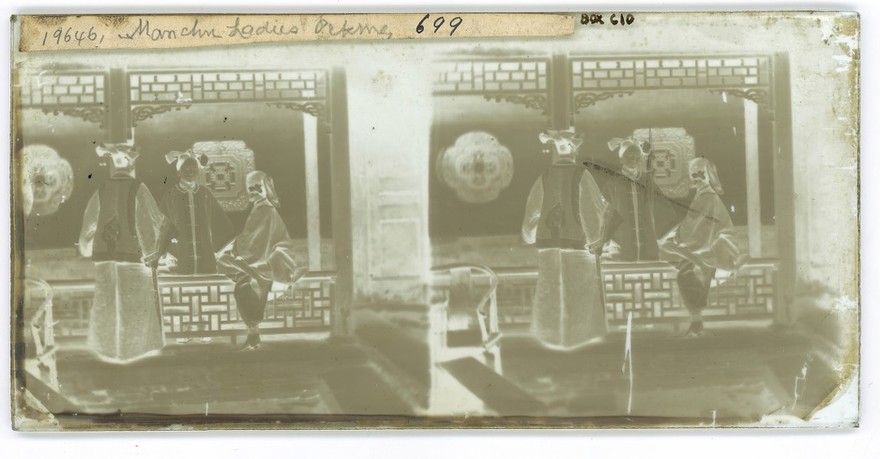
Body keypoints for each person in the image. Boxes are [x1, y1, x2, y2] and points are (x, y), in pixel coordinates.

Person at [78, 141, 168, 363]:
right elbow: (149, 222)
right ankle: (131, 351)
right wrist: (152, 253)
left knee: (107, 300)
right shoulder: (138, 187)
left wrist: (87, 246)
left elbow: (89, 221)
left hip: (105, 255)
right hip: (134, 255)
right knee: (134, 301)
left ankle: (107, 349)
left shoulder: (102, 188)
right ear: (130, 164)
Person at [521, 128, 608, 350]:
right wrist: (597, 239)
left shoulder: (545, 175)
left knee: (551, 287)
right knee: (577, 288)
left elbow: (533, 208)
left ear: (558, 150)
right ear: (574, 150)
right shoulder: (581, 175)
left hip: (549, 242)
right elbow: (591, 209)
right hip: (578, 242)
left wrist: (530, 233)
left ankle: (551, 336)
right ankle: (575, 337)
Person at [217, 171, 306, 351]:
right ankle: (254, 332)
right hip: (267, 257)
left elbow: (253, 243)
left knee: (230, 268)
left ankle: (254, 328)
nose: (253, 192)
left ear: (266, 189)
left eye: (258, 188)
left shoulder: (264, 209)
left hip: (276, 260)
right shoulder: (262, 208)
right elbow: (251, 238)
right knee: (239, 279)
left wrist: (232, 250)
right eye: (250, 188)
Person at [157, 150, 235, 344]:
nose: (190, 171)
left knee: (204, 288)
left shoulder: (205, 194)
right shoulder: (171, 195)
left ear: (198, 171)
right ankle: (184, 328)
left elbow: (218, 221)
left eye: (193, 167)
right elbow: (161, 223)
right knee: (182, 290)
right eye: (186, 167)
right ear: (179, 171)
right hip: (180, 251)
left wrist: (218, 247)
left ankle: (203, 328)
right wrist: (167, 249)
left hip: (203, 251)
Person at [660, 157, 742, 337]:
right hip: (706, 245)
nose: (695, 177)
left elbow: (699, 230)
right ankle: (696, 324)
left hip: (714, 247)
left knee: (686, 270)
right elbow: (692, 224)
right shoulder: (703, 195)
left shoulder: (707, 197)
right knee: (670, 250)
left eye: (700, 174)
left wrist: (679, 241)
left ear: (709, 175)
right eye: (692, 174)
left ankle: (697, 324)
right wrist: (678, 236)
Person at [587, 137, 659, 262]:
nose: (633, 158)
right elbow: (605, 212)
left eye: (636, 155)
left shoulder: (647, 181)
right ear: (621, 158)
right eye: (628, 155)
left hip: (647, 241)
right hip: (622, 242)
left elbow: (659, 208)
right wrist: (604, 240)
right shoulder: (613, 182)